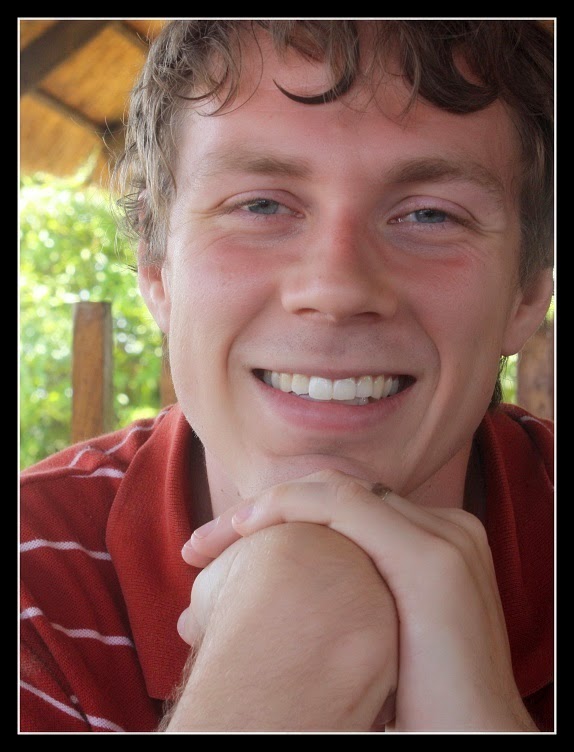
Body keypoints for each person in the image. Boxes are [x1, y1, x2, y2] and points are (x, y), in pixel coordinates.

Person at [20, 19, 555, 733]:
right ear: (157, 271)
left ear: (527, 296)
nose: (336, 289)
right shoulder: (31, 582)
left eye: (430, 215)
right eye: (261, 205)